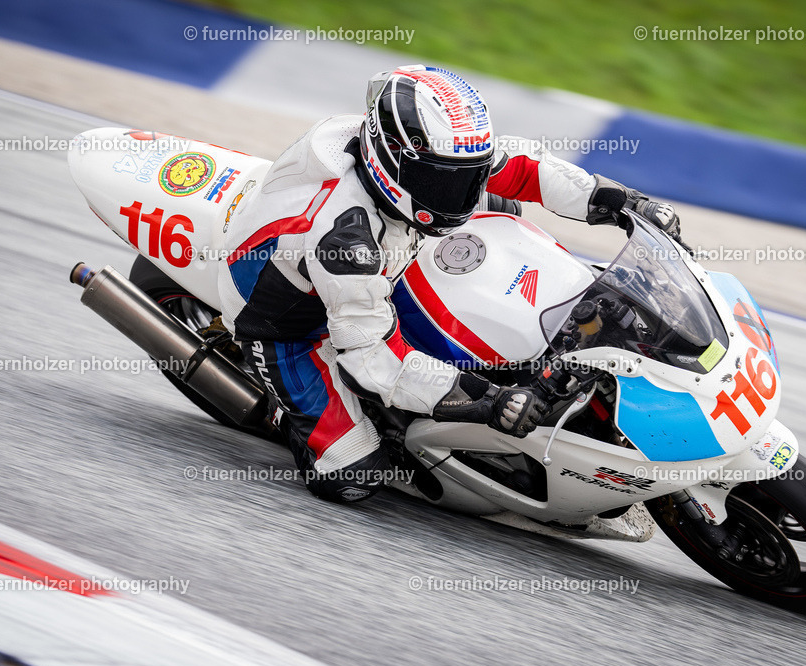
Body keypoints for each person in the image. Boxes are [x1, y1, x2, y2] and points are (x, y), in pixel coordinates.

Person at [216, 65, 682, 503]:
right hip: (289, 321)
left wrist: (624, 202)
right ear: (393, 163)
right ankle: (296, 414)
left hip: (390, 248)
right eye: (446, 182)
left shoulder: (435, 156)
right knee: (353, 473)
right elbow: (375, 360)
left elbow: (524, 167)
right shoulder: (346, 242)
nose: (463, 193)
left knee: (503, 203)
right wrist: (489, 400)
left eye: (469, 175)